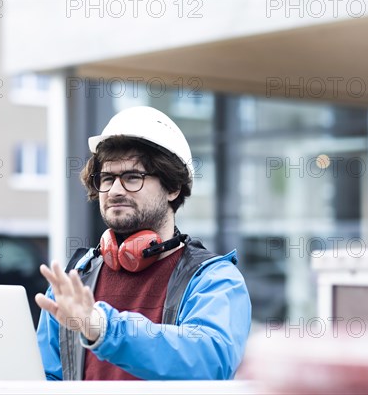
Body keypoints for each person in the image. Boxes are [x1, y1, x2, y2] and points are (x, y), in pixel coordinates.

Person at [35, 106, 251, 380]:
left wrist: (104, 328)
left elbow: (211, 361)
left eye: (132, 177)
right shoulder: (77, 280)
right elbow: (46, 377)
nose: (114, 190)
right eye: (107, 178)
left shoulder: (215, 279)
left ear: (173, 187)